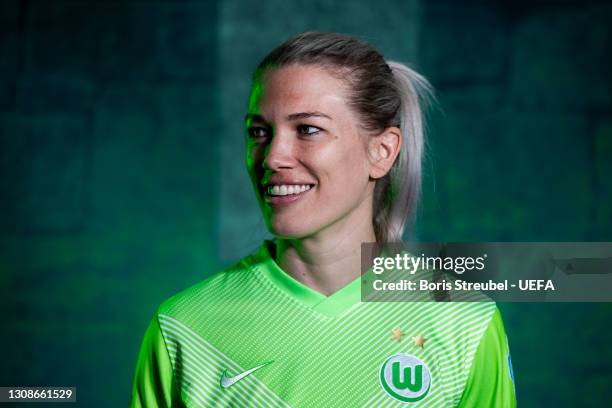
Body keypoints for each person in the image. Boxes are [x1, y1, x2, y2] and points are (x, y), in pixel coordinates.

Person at [129, 31, 516, 407]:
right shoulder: (184, 328)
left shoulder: (463, 322)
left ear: (382, 151)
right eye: (259, 132)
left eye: (308, 129)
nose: (273, 156)